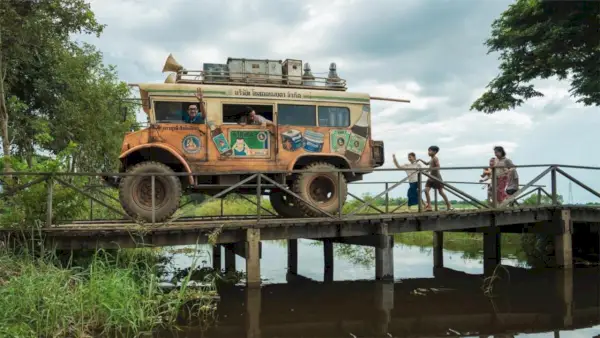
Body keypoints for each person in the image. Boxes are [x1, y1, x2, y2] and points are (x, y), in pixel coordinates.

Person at [417, 146, 452, 211]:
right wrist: (420, 160)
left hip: (436, 178)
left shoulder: (435, 158)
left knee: (440, 192)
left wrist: (430, 170)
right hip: (430, 178)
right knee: (426, 191)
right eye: (428, 151)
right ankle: (429, 206)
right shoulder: (431, 159)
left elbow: (438, 166)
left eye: (430, 151)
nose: (428, 152)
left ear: (435, 152)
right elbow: (427, 164)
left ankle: (449, 205)